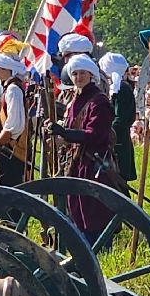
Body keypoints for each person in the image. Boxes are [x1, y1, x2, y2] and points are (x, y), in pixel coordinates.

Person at [48, 54, 117, 246]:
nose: (78, 77)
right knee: (77, 210)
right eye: (75, 73)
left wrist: (66, 133)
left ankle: (98, 252)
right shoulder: (75, 100)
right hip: (76, 163)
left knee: (93, 212)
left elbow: (95, 135)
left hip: (93, 164)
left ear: (91, 75)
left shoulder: (99, 101)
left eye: (82, 73)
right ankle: (82, 251)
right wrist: (59, 132)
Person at [0, 52, 29, 186]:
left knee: (11, 187)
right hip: (8, 146)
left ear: (9, 70)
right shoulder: (9, 89)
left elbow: (14, 124)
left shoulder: (13, 90)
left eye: (0, 68)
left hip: (12, 148)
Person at [100, 52, 137, 190]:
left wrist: (105, 133)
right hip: (113, 141)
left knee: (118, 185)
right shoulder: (115, 88)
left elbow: (120, 119)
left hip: (118, 142)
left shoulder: (122, 89)